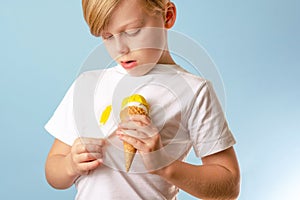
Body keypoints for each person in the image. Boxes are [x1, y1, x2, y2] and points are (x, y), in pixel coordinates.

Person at [45, 0, 240, 199]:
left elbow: (229, 186)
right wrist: (70, 164)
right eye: (108, 36)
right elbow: (53, 171)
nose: (121, 49)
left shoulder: (194, 91)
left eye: (132, 31)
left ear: (168, 15)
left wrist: (164, 165)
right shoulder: (87, 84)